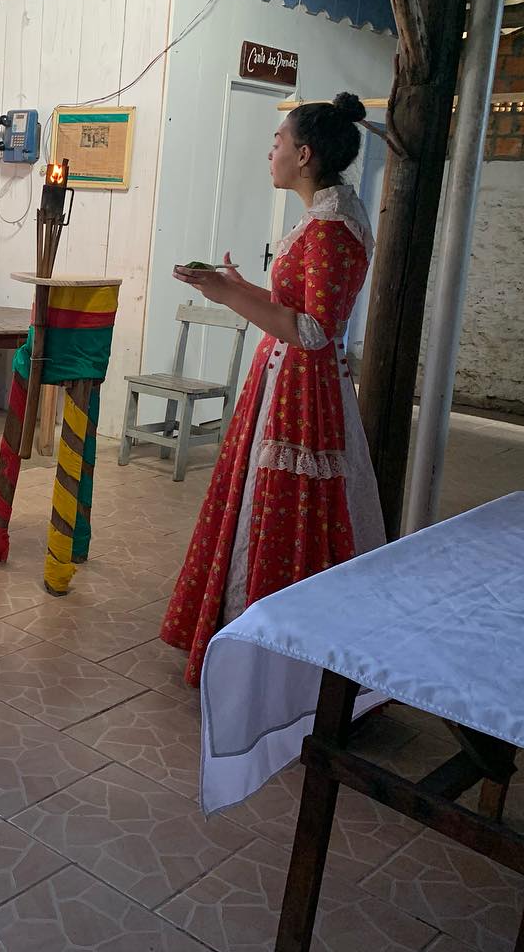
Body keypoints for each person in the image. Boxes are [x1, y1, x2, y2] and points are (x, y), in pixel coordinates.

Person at [159, 92, 385, 687]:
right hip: (285, 378)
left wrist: (227, 295)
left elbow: (312, 331)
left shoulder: (333, 229)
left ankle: (275, 660)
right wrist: (237, 286)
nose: (271, 152)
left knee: (285, 511)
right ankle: (243, 637)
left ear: (304, 155)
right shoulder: (324, 218)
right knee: (258, 501)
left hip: (302, 392)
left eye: (279, 143)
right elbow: (298, 308)